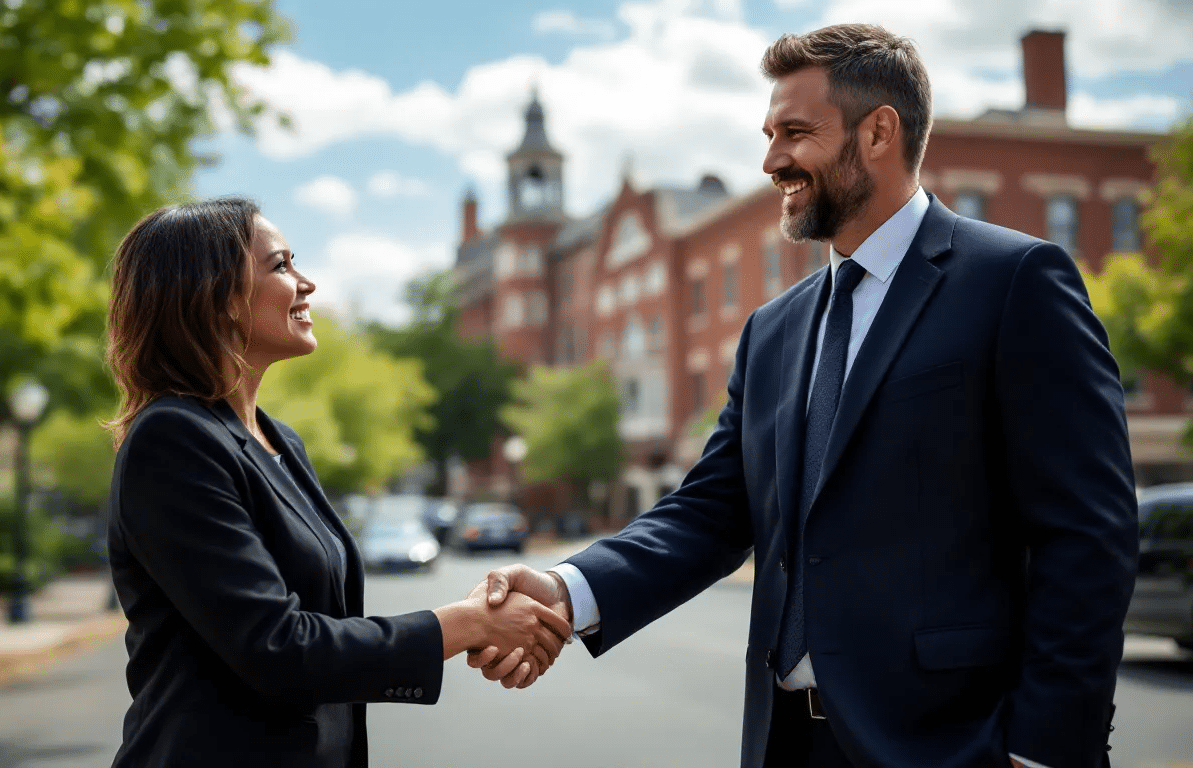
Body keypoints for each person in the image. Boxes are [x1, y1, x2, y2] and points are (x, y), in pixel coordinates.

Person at [474, 23, 1138, 768]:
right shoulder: (771, 331)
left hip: (956, 744)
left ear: (879, 133)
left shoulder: (1015, 282)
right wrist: (570, 589)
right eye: (767, 134)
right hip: (785, 742)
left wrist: (1046, 749)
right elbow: (710, 512)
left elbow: (1088, 534)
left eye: (795, 132)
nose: (771, 160)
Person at [103, 197, 569, 768]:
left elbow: (333, 633)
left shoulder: (282, 442)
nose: (307, 283)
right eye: (280, 266)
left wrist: (474, 626)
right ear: (217, 296)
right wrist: (468, 623)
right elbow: (280, 649)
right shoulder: (173, 439)